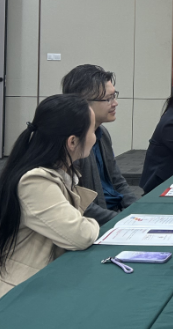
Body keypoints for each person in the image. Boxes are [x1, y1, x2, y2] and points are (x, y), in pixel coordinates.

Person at [0, 95, 100, 298]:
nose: (95, 137)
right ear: (72, 141)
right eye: (92, 130)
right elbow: (80, 235)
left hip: (46, 280)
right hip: (21, 292)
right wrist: (91, 223)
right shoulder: (34, 181)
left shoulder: (59, 173)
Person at [62, 65, 140, 225]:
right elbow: (79, 205)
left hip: (114, 214)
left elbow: (117, 180)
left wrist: (138, 210)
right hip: (95, 223)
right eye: (108, 98)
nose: (115, 103)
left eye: (114, 96)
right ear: (82, 102)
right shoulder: (70, 142)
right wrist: (124, 220)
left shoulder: (102, 133)